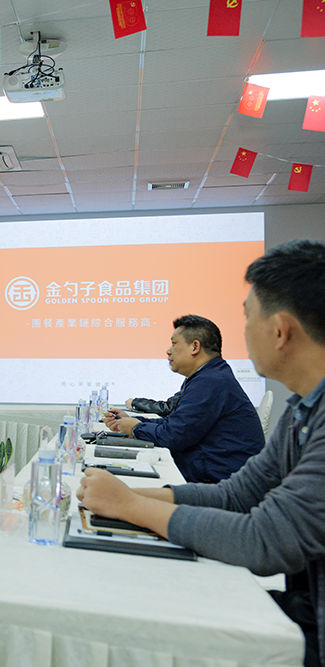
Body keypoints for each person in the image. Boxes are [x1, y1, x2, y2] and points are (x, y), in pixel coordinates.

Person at [78, 241, 325, 667]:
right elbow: (235, 495)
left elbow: (265, 539)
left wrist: (131, 505)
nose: (243, 332)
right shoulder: (302, 409)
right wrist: (124, 497)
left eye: (247, 316)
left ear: (280, 330)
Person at [103, 314, 264, 483]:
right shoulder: (209, 376)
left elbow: (173, 437)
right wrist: (134, 421)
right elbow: (175, 424)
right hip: (210, 471)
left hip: (220, 482)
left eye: (174, 344)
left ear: (195, 347)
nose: (168, 351)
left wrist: (136, 428)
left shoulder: (211, 381)